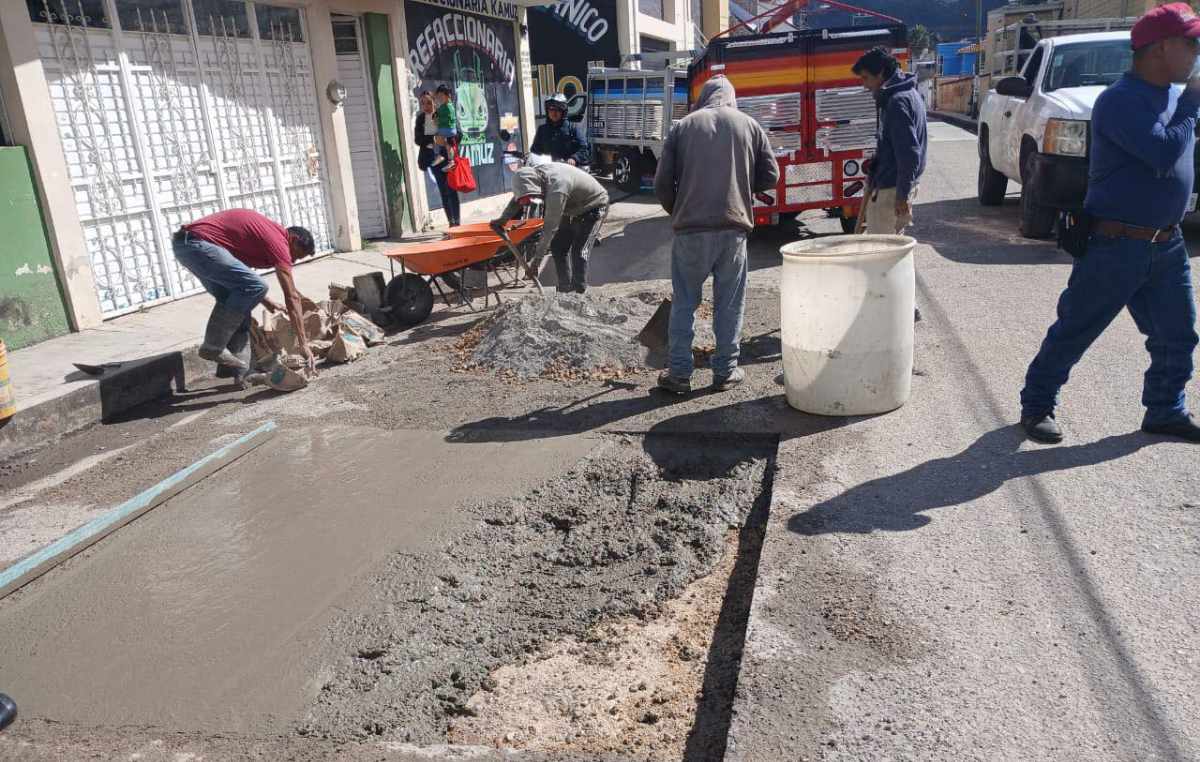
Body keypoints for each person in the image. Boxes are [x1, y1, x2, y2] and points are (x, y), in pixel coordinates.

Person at [1020, 3, 1200, 444]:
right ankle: (1037, 404)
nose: (1198, 52)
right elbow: (1160, 154)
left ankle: (1164, 410)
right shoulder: (1120, 101)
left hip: (1166, 244)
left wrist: (1188, 104)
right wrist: (1195, 103)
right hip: (1116, 244)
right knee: (1075, 331)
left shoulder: (1174, 97)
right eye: (1191, 43)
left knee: (1177, 337)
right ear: (1160, 49)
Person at [653, 76, 779, 394]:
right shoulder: (749, 125)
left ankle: (679, 375)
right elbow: (771, 176)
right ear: (732, 97)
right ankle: (725, 372)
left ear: (704, 96)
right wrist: (741, 187)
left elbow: (661, 184)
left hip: (690, 231)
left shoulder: (683, 127)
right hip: (733, 230)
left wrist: (678, 211)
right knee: (729, 304)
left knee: (684, 303)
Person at [172, 209, 317, 382]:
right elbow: (292, 297)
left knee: (240, 303)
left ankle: (238, 372)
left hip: (188, 245)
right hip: (197, 244)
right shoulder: (279, 241)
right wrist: (303, 344)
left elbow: (241, 277)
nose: (292, 261)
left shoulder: (265, 238)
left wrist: (265, 300)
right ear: (293, 240)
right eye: (296, 255)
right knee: (258, 285)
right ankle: (213, 346)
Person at [490, 158, 608, 293]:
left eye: (531, 195)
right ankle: (565, 289)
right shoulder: (534, 177)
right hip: (572, 208)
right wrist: (502, 220)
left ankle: (579, 292)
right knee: (558, 247)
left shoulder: (557, 189)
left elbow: (549, 230)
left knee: (579, 250)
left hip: (594, 206)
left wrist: (536, 262)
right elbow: (519, 198)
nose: (529, 200)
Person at [853, 46, 928, 234]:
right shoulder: (908, 93)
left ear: (880, 74)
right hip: (894, 185)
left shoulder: (896, 102)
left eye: (866, 78)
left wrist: (902, 195)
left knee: (882, 253)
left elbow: (909, 155)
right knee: (892, 249)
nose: (864, 85)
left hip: (892, 190)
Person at [414, 90, 460, 227]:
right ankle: (451, 223)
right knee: (443, 191)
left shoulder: (443, 114)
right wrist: (433, 138)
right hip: (433, 159)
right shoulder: (421, 119)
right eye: (422, 103)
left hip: (445, 156)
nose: (426, 106)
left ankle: (457, 223)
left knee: (451, 189)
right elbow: (418, 139)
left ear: (434, 102)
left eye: (428, 102)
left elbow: (458, 133)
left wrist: (447, 139)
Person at [531, 93, 589, 166]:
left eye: (558, 110)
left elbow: (584, 149)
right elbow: (535, 151)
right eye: (551, 109)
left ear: (563, 111)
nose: (554, 113)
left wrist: (574, 158)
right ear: (547, 111)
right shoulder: (542, 130)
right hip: (547, 170)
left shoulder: (573, 128)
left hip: (568, 171)